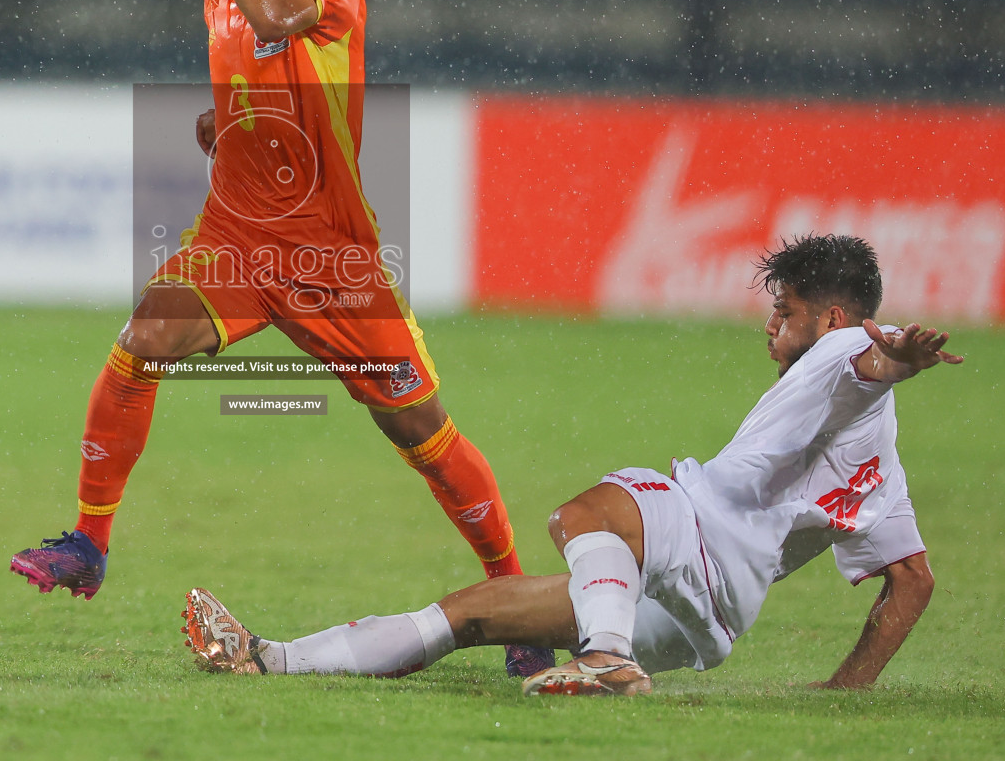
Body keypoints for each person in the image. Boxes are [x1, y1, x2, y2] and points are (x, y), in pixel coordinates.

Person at [9, 0, 545, 672]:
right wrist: (223, 125)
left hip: (331, 258)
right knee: (140, 342)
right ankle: (89, 542)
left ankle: (519, 602)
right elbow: (255, 70)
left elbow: (278, 19)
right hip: (235, 241)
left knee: (423, 436)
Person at [182, 235, 955, 695]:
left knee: (583, 515)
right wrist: (845, 695)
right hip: (708, 622)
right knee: (473, 612)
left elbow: (871, 364)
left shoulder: (847, 348)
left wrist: (899, 362)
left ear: (830, 318)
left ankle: (608, 660)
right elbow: (913, 580)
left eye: (782, 311)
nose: (769, 325)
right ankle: (268, 660)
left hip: (693, 533)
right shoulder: (876, 466)